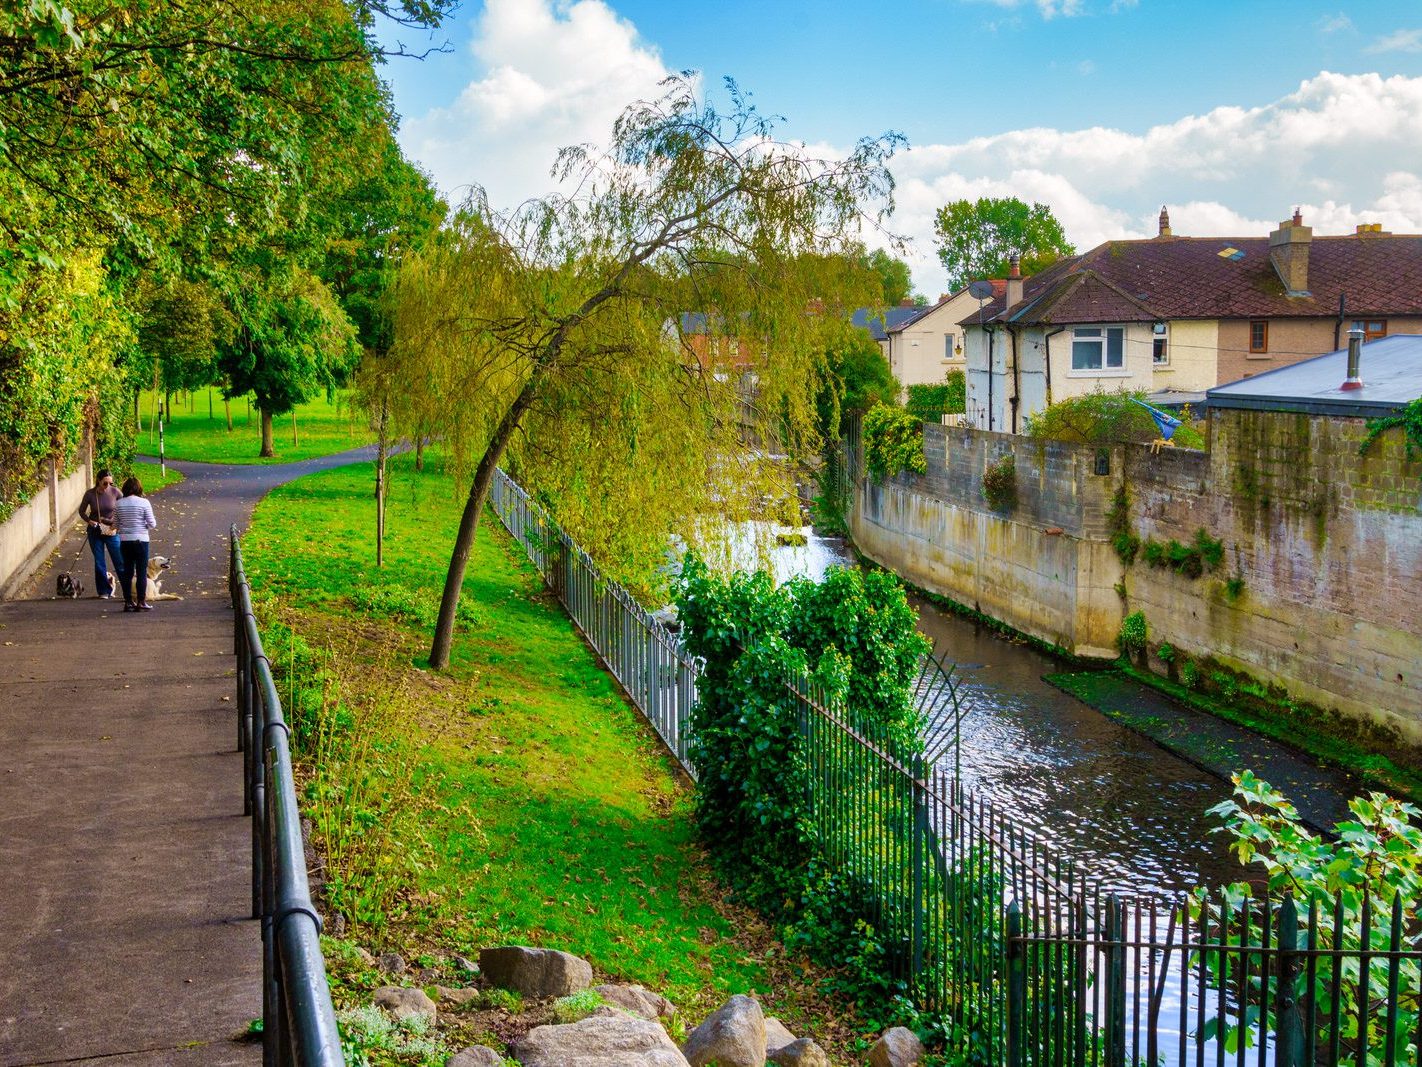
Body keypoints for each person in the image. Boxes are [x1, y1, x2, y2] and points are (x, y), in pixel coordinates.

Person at [114, 476, 158, 612]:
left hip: (125, 541)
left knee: (127, 572)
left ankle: (128, 602)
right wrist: (141, 525)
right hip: (141, 540)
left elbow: (116, 524)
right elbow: (152, 523)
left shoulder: (119, 503)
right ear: (139, 488)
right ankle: (141, 601)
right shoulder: (144, 503)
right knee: (140, 572)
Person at [77, 469, 122, 599]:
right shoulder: (90, 494)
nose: (108, 486)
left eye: (110, 483)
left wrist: (116, 523)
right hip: (95, 530)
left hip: (111, 530)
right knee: (99, 561)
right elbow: (82, 511)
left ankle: (127, 588)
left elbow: (123, 507)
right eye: (105, 483)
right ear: (98, 481)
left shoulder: (115, 492)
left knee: (119, 560)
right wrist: (89, 521)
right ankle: (103, 591)